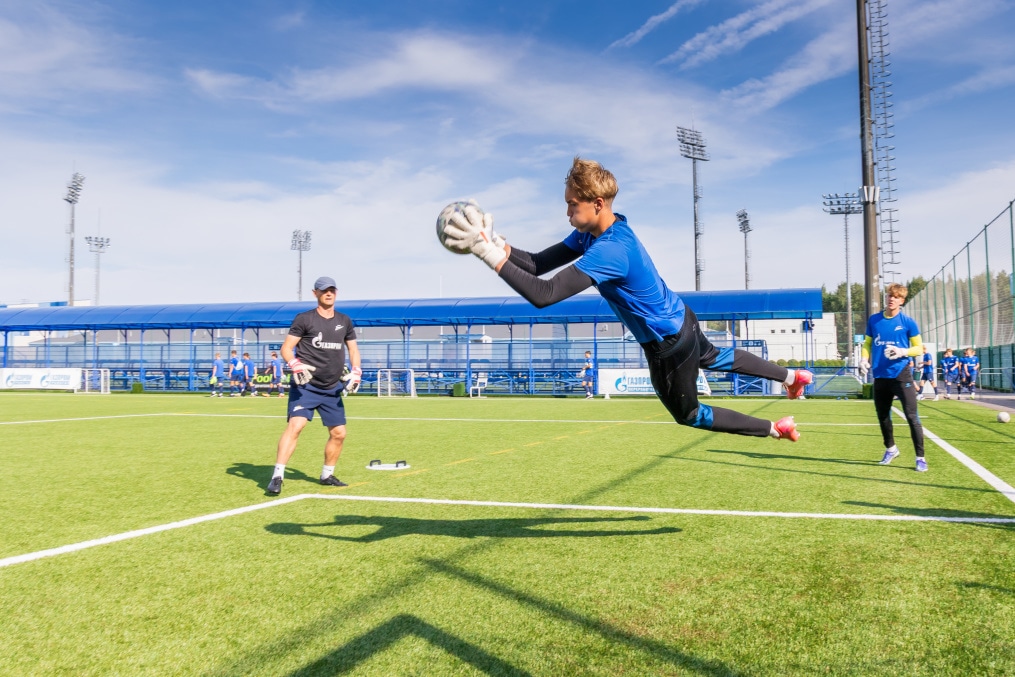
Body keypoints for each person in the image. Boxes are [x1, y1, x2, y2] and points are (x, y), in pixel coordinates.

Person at [440, 157, 811, 441]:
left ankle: (775, 428)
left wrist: (485, 254)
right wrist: (496, 242)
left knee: (690, 415)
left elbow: (545, 294)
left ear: (597, 203)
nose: (567, 211)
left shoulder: (610, 250)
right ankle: (793, 376)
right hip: (682, 317)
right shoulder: (600, 233)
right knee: (716, 356)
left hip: (668, 343)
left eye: (572, 205)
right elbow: (537, 264)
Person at [267, 276, 362, 495]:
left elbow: (353, 350)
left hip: (332, 387)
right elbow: (286, 349)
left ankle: (327, 475)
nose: (328, 293)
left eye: (332, 290)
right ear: (315, 293)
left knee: (339, 433)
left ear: (336, 293)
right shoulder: (304, 319)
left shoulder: (345, 321)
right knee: (296, 426)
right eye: (323, 290)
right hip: (306, 386)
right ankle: (278, 476)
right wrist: (295, 364)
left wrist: (356, 371)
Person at [858, 282, 927, 472]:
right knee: (883, 416)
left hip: (901, 375)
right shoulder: (874, 320)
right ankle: (891, 449)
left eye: (896, 297)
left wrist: (902, 351)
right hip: (880, 375)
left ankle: (920, 458)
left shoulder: (908, 322)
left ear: (902, 300)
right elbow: (867, 344)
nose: (891, 299)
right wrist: (864, 359)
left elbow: (919, 348)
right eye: (889, 295)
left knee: (912, 416)